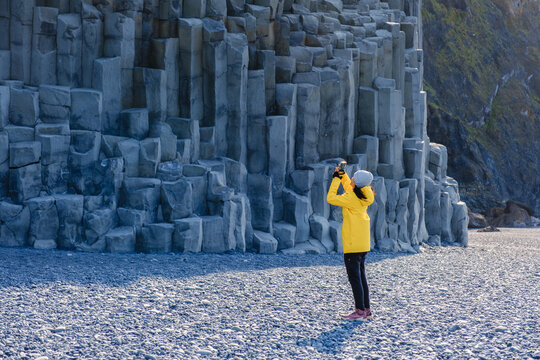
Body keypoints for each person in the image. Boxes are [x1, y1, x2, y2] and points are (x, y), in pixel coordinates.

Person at [327, 165, 375, 321]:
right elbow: (351, 187)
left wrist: (335, 179)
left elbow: (331, 198)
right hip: (362, 242)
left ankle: (359, 311)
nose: (352, 179)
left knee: (355, 278)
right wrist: (342, 175)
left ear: (358, 182)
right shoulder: (365, 193)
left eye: (353, 177)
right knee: (361, 277)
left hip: (353, 243)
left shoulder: (352, 197)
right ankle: (366, 310)